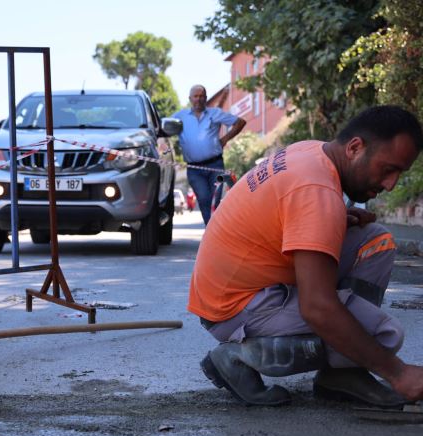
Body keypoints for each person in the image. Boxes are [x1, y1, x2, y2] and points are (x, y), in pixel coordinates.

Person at [189, 105, 423, 407]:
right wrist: (398, 372)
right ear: (355, 148)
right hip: (234, 307)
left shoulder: (311, 152)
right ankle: (237, 357)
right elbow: (318, 308)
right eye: (388, 168)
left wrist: (334, 217)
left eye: (399, 174)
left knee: (374, 241)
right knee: (382, 334)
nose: (390, 184)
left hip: (243, 284)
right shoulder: (316, 188)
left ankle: (341, 373)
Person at [172, 85, 246, 225]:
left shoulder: (215, 113)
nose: (199, 99)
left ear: (206, 98)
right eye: (196, 96)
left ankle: (215, 232)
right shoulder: (179, 117)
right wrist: (163, 142)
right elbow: (163, 128)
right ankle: (212, 231)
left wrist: (225, 139)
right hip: (194, 170)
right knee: (204, 199)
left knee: (215, 200)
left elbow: (240, 122)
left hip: (216, 166)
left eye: (202, 96)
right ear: (190, 99)